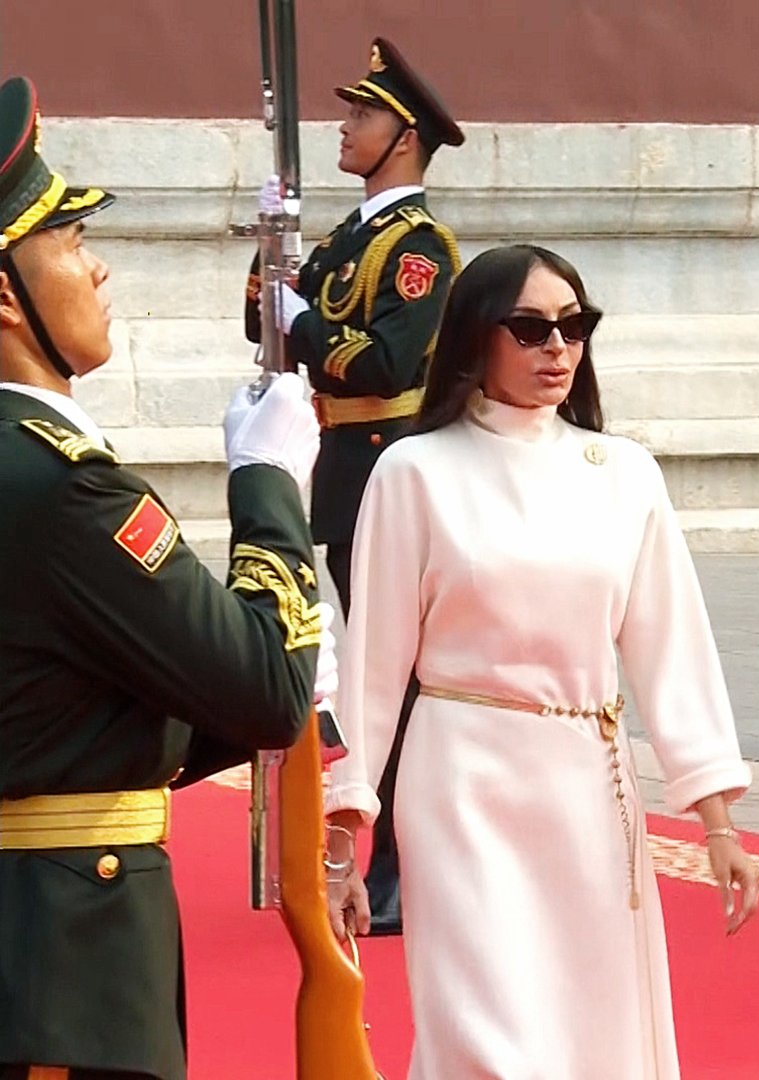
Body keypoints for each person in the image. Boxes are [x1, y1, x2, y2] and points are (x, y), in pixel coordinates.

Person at [321, 244, 759, 1078]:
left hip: (588, 784)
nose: (557, 347)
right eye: (529, 328)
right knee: (483, 1034)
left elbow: (673, 652)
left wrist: (717, 822)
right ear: (475, 336)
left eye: (574, 325)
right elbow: (374, 672)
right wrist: (346, 831)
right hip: (461, 782)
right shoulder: (414, 471)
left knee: (592, 1031)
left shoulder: (624, 473)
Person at [0, 75, 327, 1080]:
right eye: (70, 241)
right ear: (5, 296)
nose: (97, 269)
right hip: (64, 972)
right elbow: (266, 689)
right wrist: (268, 484)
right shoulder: (61, 487)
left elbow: (64, 702)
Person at [244, 35, 466, 936]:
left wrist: (300, 319)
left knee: (400, 678)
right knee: (370, 671)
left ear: (405, 138)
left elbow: (385, 362)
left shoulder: (420, 249)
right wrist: (270, 256)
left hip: (391, 465)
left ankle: (405, 866)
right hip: (342, 471)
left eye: (363, 114)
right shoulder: (346, 239)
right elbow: (264, 330)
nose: (346, 126)